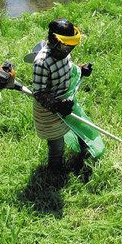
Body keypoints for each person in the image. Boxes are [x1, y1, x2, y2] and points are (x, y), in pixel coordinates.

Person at [32, 18, 93, 172]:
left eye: (71, 47)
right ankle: (55, 173)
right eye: (66, 47)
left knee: (81, 129)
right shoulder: (42, 63)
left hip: (67, 101)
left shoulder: (63, 52)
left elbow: (68, 68)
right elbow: (38, 93)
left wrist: (81, 69)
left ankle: (84, 157)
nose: (68, 51)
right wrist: (57, 106)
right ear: (53, 40)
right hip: (49, 110)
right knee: (56, 144)